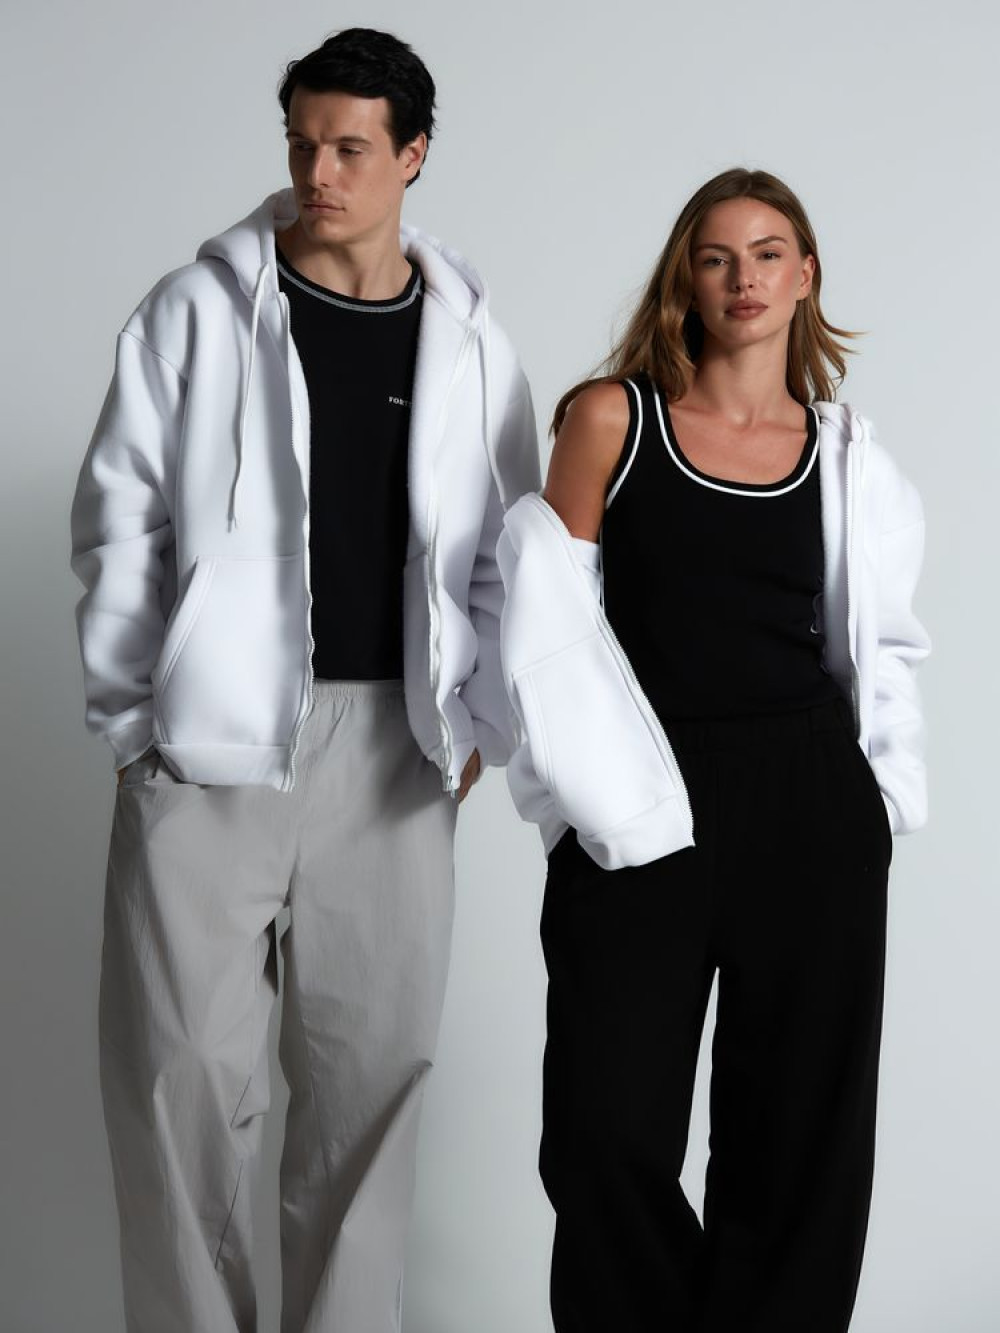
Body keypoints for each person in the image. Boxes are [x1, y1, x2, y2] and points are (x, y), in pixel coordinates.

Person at [71, 27, 538, 1333]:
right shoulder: (196, 311)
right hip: (207, 750)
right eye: (302, 145)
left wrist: (477, 718)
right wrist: (138, 723)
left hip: (395, 751)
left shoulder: (470, 344)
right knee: (177, 1081)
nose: (318, 173)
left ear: (413, 155)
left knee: (371, 1088)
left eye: (349, 148)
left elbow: (501, 549)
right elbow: (120, 520)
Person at [497, 167, 928, 1332]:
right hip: (640, 798)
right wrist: (583, 807)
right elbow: (542, 630)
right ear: (684, 277)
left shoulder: (843, 454)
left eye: (769, 253)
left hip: (810, 803)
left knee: (797, 1144)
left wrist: (877, 798)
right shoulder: (611, 419)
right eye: (717, 256)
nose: (745, 278)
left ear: (805, 275)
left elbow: (883, 641)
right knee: (601, 1130)